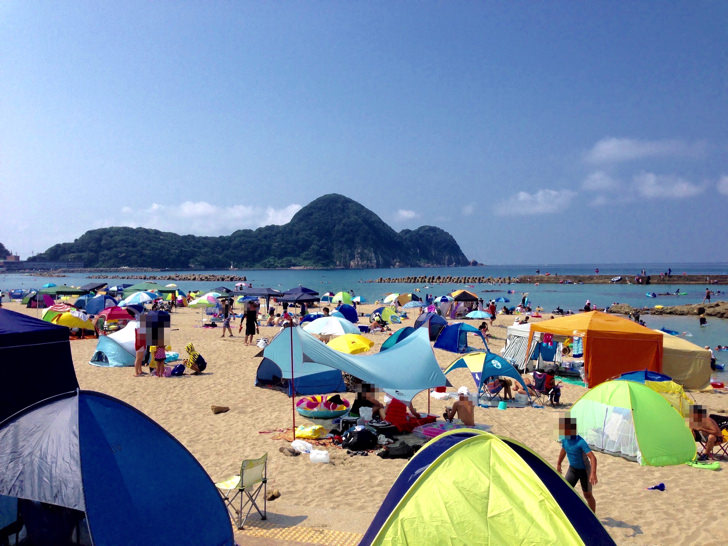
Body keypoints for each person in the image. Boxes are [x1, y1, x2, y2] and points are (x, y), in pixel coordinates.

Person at [557, 416, 597, 512]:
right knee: (565, 490)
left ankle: (593, 516)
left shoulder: (580, 442)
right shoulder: (565, 439)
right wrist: (559, 463)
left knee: (587, 495)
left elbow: (593, 458)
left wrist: (593, 473)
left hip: (584, 471)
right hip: (573, 469)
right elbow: (564, 449)